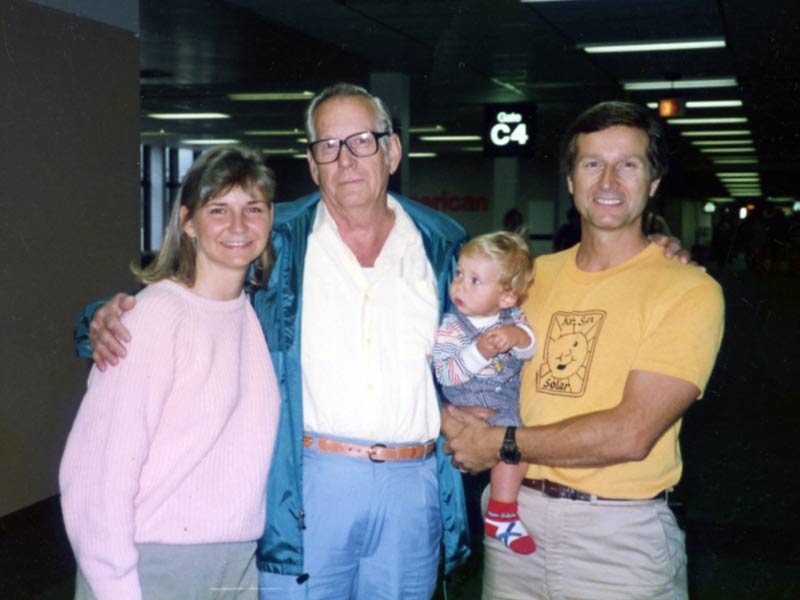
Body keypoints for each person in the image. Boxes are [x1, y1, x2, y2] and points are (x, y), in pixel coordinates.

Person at [74, 83, 471, 600]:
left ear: (392, 150)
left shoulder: (442, 243)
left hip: (413, 488)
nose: (346, 159)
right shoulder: (275, 237)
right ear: (312, 164)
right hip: (309, 484)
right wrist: (100, 318)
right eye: (328, 145)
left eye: (362, 141)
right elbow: (177, 295)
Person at [442, 100, 725, 599]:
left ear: (654, 182)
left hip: (618, 538)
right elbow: (452, 348)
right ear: (571, 181)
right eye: (592, 164)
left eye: (628, 164)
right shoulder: (530, 277)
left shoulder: (688, 290)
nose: (609, 181)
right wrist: (456, 423)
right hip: (513, 521)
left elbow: (631, 434)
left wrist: (499, 442)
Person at [61, 146, 280, 600]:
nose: (238, 226)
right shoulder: (156, 315)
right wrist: (116, 588)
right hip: (152, 567)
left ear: (270, 218)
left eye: (252, 209)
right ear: (187, 222)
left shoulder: (250, 316)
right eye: (218, 209)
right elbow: (96, 473)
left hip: (236, 564)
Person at [433, 231, 536, 555]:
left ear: (507, 298)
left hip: (503, 400)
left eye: (475, 280)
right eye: (460, 274)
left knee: (516, 446)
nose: (460, 284)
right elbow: (445, 373)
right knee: (510, 443)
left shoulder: (513, 319)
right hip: (463, 401)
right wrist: (478, 351)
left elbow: (530, 349)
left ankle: (501, 510)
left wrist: (517, 337)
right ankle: (490, 516)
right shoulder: (451, 326)